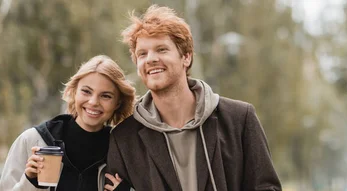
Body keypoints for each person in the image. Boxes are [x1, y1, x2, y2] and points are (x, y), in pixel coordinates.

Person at [106, 5, 282, 191]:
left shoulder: (239, 118)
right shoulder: (124, 139)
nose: (150, 59)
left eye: (162, 49)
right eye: (142, 53)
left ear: (186, 57)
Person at [0, 55, 136, 191]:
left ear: (118, 103)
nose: (93, 102)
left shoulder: (122, 152)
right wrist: (29, 182)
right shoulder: (33, 140)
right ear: (74, 92)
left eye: (106, 96)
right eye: (86, 91)